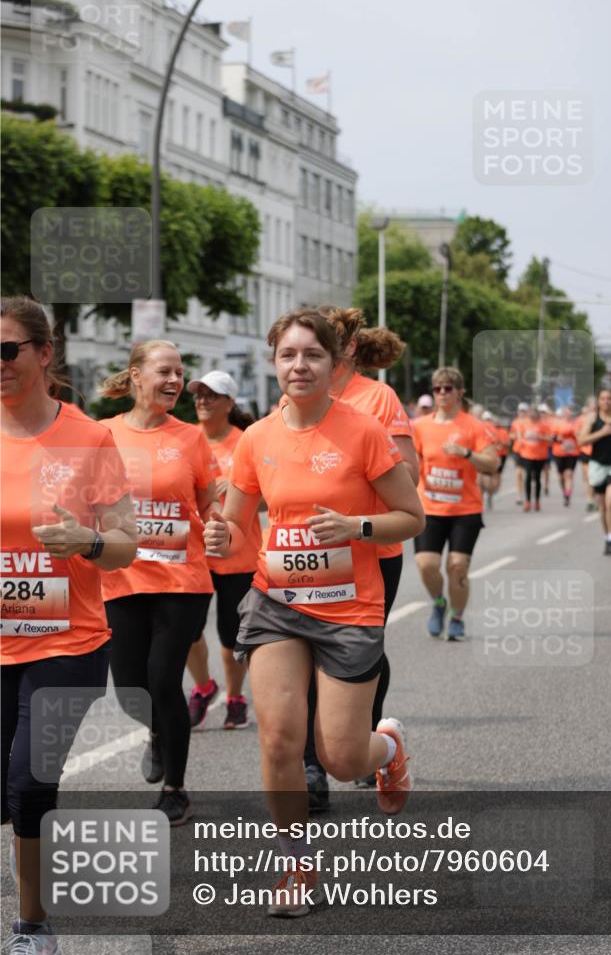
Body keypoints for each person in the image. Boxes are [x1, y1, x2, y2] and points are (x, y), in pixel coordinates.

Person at [206, 308, 424, 916]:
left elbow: (412, 518)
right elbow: (239, 528)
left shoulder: (363, 431)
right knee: (279, 740)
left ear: (334, 364)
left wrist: (355, 525)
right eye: (287, 356)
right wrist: (221, 538)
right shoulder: (257, 438)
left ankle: (388, 749)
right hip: (276, 603)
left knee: (341, 756)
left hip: (349, 608)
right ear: (274, 363)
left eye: (312, 356)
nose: (298, 366)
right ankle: (297, 867)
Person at [1, 297, 137, 954]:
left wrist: (86, 541)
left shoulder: (89, 437)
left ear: (43, 354)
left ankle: (32, 926)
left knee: (29, 781)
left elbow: (127, 545)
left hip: (68, 642)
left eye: (8, 350)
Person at [98, 340, 227, 826]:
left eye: (180, 372)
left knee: (162, 680)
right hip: (121, 579)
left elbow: (210, 505)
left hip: (181, 580)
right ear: (135, 376)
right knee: (131, 687)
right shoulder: (102, 434)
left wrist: (220, 525)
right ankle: (158, 731)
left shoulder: (192, 439)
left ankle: (175, 789)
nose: (175, 380)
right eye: (164, 371)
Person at [307, 306, 419, 797]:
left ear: (347, 348)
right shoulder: (300, 394)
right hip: (308, 548)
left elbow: (409, 474)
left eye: (322, 343)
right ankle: (312, 767)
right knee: (306, 650)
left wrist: (356, 508)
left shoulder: (378, 397)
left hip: (372, 545)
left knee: (358, 649)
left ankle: (361, 734)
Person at [185, 370, 260, 730]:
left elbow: (273, 496)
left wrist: (242, 492)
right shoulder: (185, 440)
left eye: (211, 395)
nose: (202, 401)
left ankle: (234, 698)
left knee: (231, 639)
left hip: (237, 556)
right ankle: (203, 687)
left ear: (229, 403)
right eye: (198, 394)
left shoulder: (247, 441)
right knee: (185, 631)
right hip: (192, 556)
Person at [412, 367, 498, 641]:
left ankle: (458, 617)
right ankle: (439, 603)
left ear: (460, 392)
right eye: (437, 388)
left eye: (448, 388)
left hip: (465, 509)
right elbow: (410, 464)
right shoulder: (420, 427)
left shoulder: (474, 426)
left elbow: (492, 463)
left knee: (457, 566)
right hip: (430, 508)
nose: (442, 393)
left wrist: (467, 453)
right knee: (426, 565)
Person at [577, 387, 611, 555]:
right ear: (599, 401)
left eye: (610, 398)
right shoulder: (592, 419)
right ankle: (607, 536)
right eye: (603, 398)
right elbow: (581, 440)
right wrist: (601, 433)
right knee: (602, 506)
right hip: (598, 465)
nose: (607, 401)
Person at [517, 407, 553, 511]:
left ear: (537, 415)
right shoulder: (524, 424)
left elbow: (550, 439)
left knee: (537, 478)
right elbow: (520, 438)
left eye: (534, 415)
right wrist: (522, 441)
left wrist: (539, 437)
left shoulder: (543, 425)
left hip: (540, 455)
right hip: (527, 454)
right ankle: (528, 501)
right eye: (531, 415)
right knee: (528, 477)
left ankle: (537, 501)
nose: (532, 417)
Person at [478, 411, 507, 510]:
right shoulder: (481, 428)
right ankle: (484, 497)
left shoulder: (492, 429)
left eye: (488, 420)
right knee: (482, 477)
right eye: (486, 420)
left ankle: (487, 496)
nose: (487, 422)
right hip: (482, 455)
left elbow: (498, 443)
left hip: (489, 456)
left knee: (487, 476)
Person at [552, 406, 579, 507]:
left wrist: (574, 435)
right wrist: (558, 438)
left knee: (569, 474)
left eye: (570, 413)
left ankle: (568, 495)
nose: (568, 415)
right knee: (561, 476)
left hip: (572, 452)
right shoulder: (557, 424)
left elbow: (580, 435)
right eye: (566, 413)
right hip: (559, 452)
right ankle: (564, 491)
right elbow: (552, 437)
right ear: (563, 414)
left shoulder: (576, 424)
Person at [509, 402, 529, 505]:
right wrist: (515, 435)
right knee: (518, 473)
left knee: (529, 475)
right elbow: (511, 436)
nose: (522, 413)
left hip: (529, 451)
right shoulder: (515, 422)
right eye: (520, 411)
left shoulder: (530, 423)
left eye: (524, 411)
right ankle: (519, 496)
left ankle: (528, 494)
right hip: (518, 450)